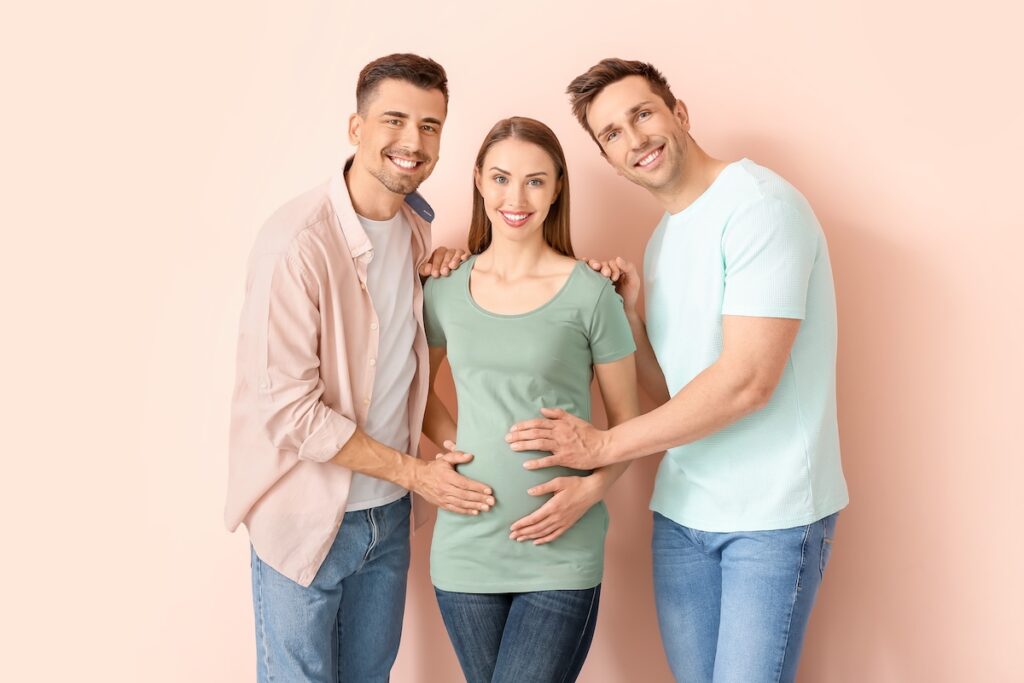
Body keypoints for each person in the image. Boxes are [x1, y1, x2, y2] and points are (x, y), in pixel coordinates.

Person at [507, 59, 850, 682]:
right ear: (609, 161)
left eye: (642, 114)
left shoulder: (759, 206)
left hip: (770, 519)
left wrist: (603, 446)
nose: (635, 139)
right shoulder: (664, 238)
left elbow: (748, 382)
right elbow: (674, 396)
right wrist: (631, 320)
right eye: (612, 133)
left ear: (679, 114)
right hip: (684, 515)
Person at [223, 53, 492, 683]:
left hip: (389, 516)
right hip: (306, 517)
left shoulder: (417, 229)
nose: (413, 141)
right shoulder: (297, 242)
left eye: (430, 125)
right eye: (394, 120)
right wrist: (418, 473)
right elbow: (290, 412)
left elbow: (405, 365)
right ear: (356, 127)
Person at [421, 116, 640, 683]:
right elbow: (416, 390)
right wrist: (457, 447)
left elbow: (629, 423)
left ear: (558, 187)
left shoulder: (592, 293)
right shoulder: (443, 290)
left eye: (535, 181)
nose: (515, 199)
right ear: (478, 180)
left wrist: (591, 490)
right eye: (501, 178)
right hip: (466, 549)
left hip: (561, 549)